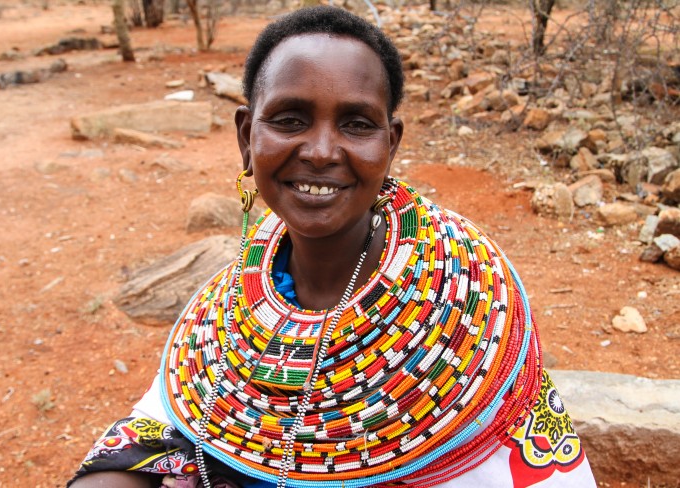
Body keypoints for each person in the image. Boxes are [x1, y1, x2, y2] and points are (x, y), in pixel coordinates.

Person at [69, 6, 596, 488]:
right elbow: (162, 428)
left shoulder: (467, 306)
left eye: (356, 124)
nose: (320, 152)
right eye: (290, 119)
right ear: (246, 137)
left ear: (391, 145)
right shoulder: (235, 302)